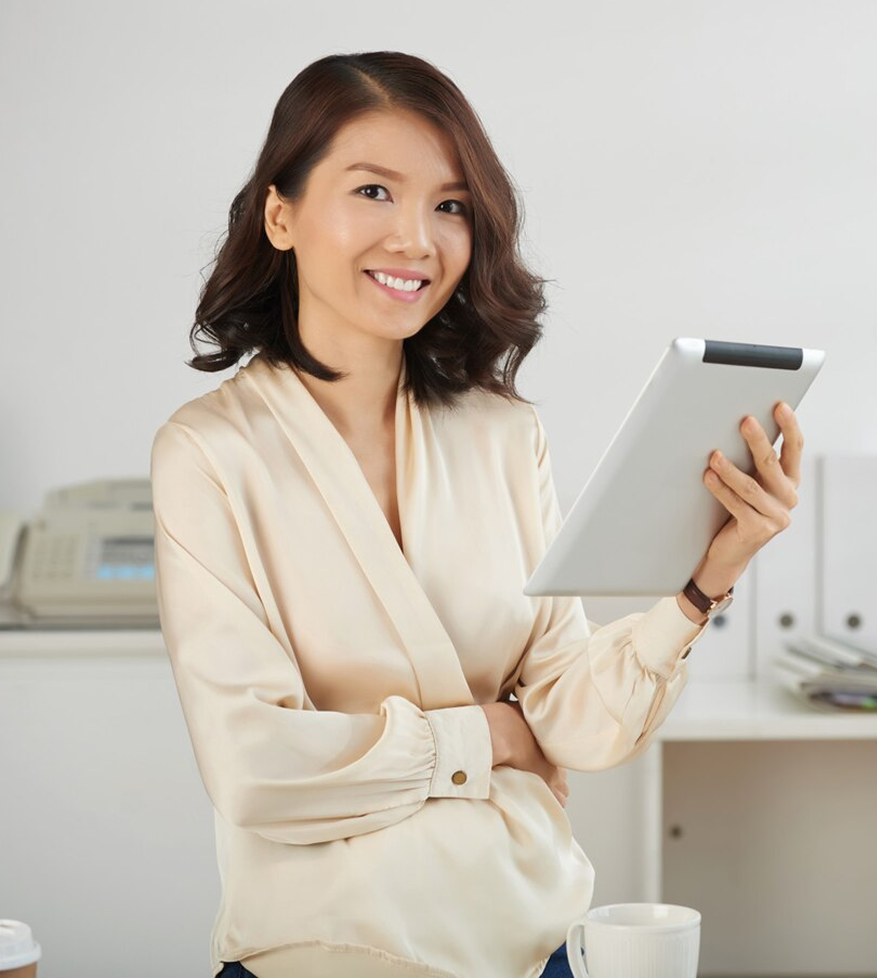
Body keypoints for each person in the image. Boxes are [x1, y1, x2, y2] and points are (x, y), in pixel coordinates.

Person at [149, 51, 804, 978]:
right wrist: (488, 735)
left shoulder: (503, 433)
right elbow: (259, 771)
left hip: (538, 948)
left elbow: (576, 724)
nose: (416, 237)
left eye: (450, 205)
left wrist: (706, 580)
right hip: (321, 957)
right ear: (280, 213)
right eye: (373, 191)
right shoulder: (211, 452)